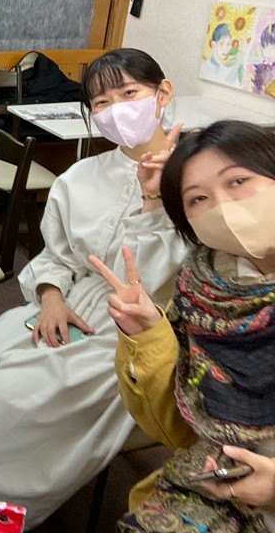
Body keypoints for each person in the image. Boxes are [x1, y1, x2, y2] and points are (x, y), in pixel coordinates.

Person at [0, 48, 189, 526]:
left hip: (140, 330)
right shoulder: (82, 176)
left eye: (129, 93)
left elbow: (163, 278)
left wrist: (155, 200)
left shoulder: (196, 181)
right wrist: (50, 297)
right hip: (69, 299)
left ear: (163, 93)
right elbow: (58, 254)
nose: (116, 110)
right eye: (102, 102)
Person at [93, 120, 275, 533]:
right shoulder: (203, 289)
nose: (222, 207)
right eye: (198, 199)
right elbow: (178, 430)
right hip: (216, 484)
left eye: (238, 181)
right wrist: (147, 337)